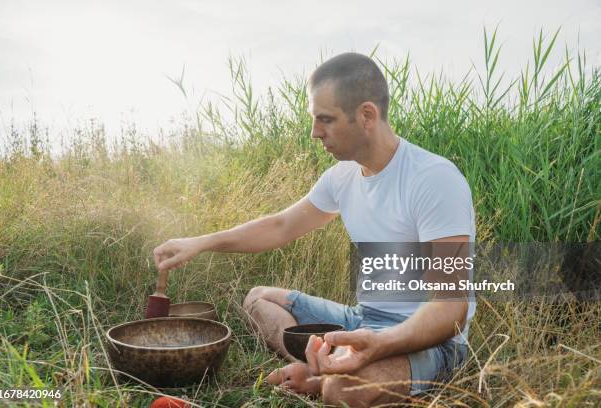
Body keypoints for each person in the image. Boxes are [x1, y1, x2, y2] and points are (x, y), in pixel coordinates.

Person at [153, 52, 475, 407]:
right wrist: (201, 242)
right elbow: (281, 225)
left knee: (342, 391)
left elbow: (451, 308)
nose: (314, 132)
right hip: (363, 319)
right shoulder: (343, 176)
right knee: (259, 298)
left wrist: (377, 345)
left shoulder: (433, 179)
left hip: (433, 343)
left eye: (326, 120)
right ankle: (313, 367)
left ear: (366, 115)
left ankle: (325, 376)